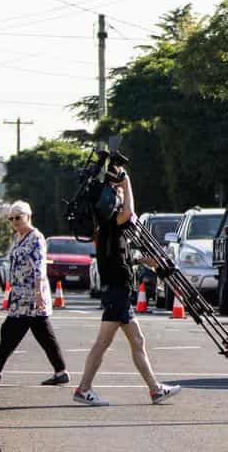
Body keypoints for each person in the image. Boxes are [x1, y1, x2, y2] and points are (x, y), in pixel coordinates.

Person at [73, 160, 181, 406]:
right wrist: (127, 181)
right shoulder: (111, 221)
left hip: (119, 291)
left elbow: (119, 256)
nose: (121, 196)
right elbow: (129, 213)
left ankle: (155, 390)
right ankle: (83, 389)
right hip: (116, 292)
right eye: (117, 194)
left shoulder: (109, 226)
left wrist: (142, 260)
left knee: (137, 341)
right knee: (102, 343)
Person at [0, 201, 69, 386]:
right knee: (40, 335)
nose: (15, 221)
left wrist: (39, 293)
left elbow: (40, 266)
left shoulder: (36, 238)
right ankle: (60, 371)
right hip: (20, 297)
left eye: (18, 217)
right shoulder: (19, 237)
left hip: (32, 296)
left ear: (28, 216)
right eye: (11, 218)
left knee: (11, 330)